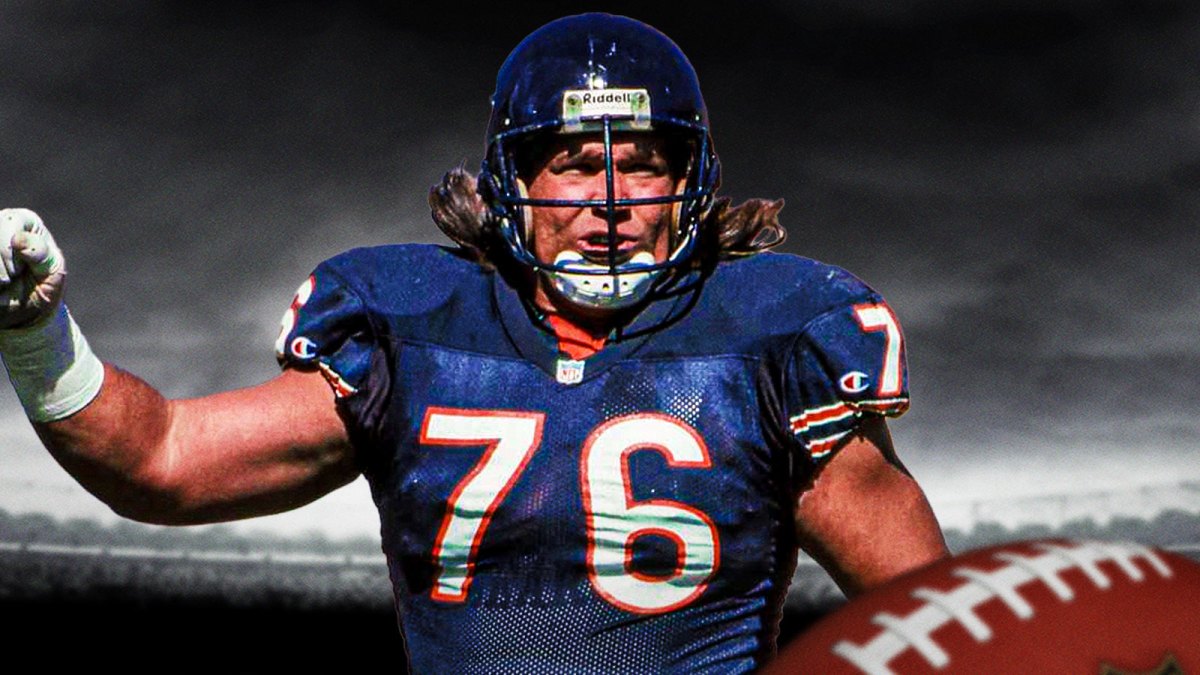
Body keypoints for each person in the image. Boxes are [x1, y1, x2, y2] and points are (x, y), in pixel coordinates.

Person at [0, 13, 947, 673]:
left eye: (642, 166)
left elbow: (934, 623)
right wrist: (34, 330)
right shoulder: (413, 328)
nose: (609, 203)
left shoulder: (772, 339)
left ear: (689, 184)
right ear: (510, 185)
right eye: (574, 166)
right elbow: (161, 461)